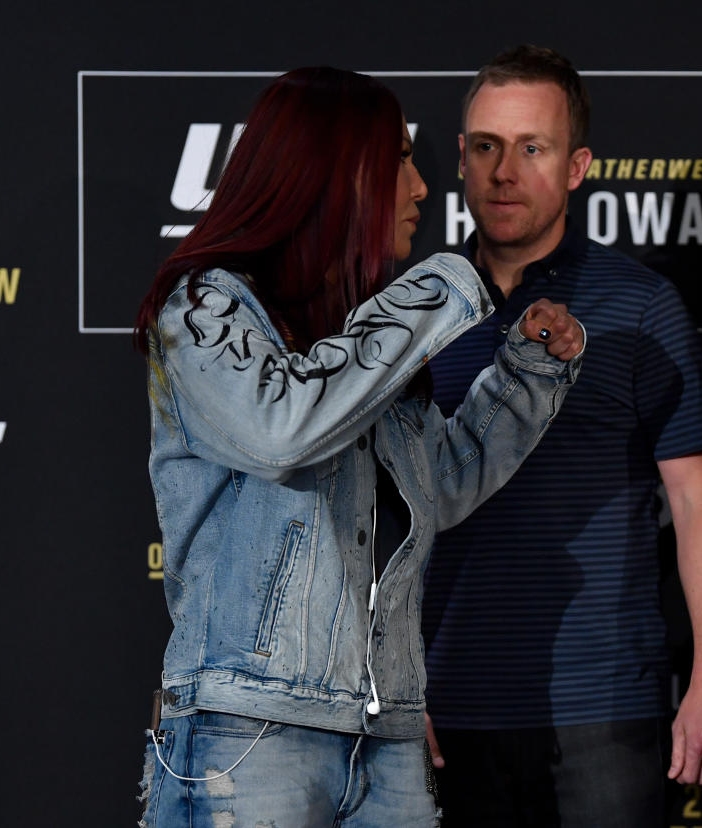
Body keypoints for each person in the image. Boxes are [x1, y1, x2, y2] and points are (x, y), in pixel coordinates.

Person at [132, 67, 584, 828]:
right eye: (399, 163)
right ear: (336, 174)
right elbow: (281, 432)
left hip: (387, 735)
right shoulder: (206, 305)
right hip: (248, 733)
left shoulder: (357, 340)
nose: (419, 188)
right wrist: (440, 285)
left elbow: (433, 488)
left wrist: (528, 377)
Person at [421, 45, 702, 826]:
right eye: (487, 146)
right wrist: (385, 682)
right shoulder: (413, 312)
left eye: (534, 147)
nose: (505, 171)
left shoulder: (642, 306)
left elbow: (697, 500)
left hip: (605, 705)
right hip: (439, 705)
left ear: (577, 166)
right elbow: (377, 515)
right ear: (460, 157)